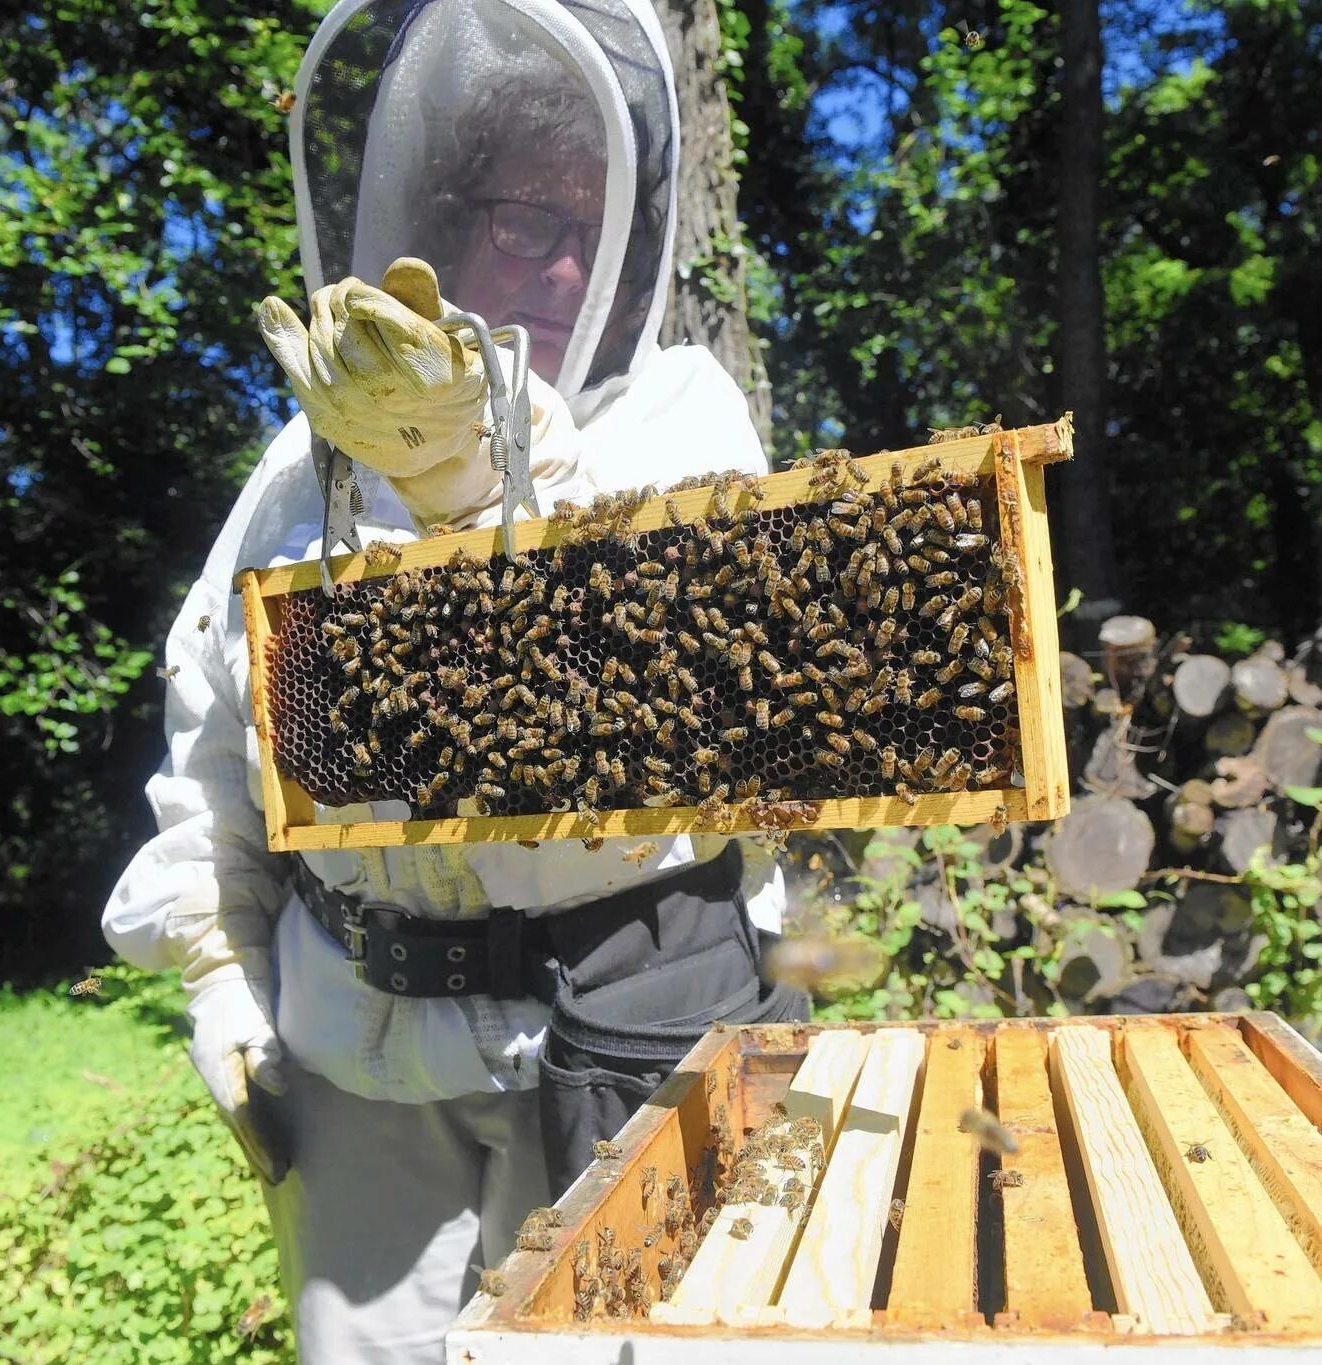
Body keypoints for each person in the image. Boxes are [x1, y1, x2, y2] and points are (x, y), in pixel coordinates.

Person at [100, 2, 805, 1360]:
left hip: (619, 1041)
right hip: (357, 1061)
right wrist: (213, 967)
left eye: (590, 229)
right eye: (526, 219)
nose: (560, 263)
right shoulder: (290, 473)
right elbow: (208, 742)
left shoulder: (684, 420)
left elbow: (688, 724)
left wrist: (474, 483)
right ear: (438, 213)